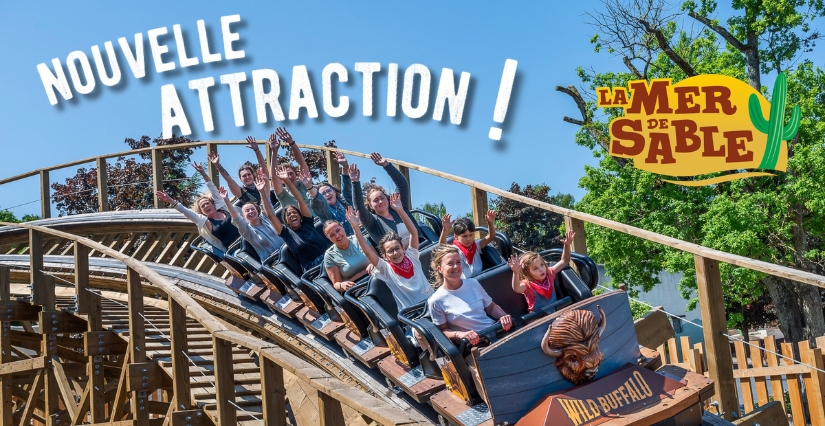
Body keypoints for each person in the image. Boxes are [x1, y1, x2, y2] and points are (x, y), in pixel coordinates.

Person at [346, 197, 433, 310]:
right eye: (390, 251)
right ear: (384, 256)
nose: (395, 253)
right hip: (415, 313)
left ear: (403, 248)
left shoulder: (412, 256)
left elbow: (414, 232)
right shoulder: (385, 269)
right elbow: (367, 252)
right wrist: (355, 227)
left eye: (397, 248)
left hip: (433, 304)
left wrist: (400, 210)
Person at [428, 244, 513, 346]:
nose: (455, 266)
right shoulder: (436, 300)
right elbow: (443, 331)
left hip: (495, 332)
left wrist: (503, 317)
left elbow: (491, 307)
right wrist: (460, 334)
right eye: (450, 263)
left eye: (458, 262)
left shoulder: (473, 283)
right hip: (475, 343)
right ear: (439, 269)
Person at [156, 162, 240, 251]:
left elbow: (212, 187)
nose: (206, 206)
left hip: (246, 238)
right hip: (233, 250)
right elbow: (185, 211)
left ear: (213, 204)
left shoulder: (223, 208)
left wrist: (202, 173)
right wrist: (170, 200)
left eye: (207, 203)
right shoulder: (203, 221)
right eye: (202, 206)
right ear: (201, 211)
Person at [262, 168, 329, 270]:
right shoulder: (286, 233)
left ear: (300, 215)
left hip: (329, 256)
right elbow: (270, 215)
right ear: (286, 221)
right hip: (314, 267)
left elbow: (300, 200)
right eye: (288, 215)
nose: (292, 215)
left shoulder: (308, 223)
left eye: (294, 212)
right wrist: (262, 192)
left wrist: (287, 181)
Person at [349, 152, 421, 246]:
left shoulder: (398, 207)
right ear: (370, 205)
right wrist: (355, 182)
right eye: (375, 200)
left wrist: (386, 165)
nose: (380, 202)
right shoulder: (373, 222)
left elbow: (402, 185)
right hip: (400, 257)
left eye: (382, 198)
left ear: (387, 199)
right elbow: (359, 207)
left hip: (423, 246)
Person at [508, 230, 576, 312]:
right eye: (535, 268)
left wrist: (567, 245)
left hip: (555, 310)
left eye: (542, 265)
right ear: (527, 272)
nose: (541, 269)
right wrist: (516, 272)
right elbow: (517, 288)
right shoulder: (528, 285)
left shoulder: (549, 274)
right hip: (538, 316)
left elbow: (564, 261)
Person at [218, 179, 285, 262]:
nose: (250, 211)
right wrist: (226, 200)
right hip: (275, 261)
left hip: (288, 249)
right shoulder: (247, 231)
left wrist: (262, 190)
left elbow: (267, 200)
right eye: (247, 211)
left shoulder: (266, 218)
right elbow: (237, 219)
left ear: (257, 210)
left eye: (252, 209)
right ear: (244, 216)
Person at [299, 151, 355, 235]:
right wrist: (309, 186)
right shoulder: (326, 213)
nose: (327, 194)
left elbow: (346, 185)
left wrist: (344, 166)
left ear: (334, 191)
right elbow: (320, 202)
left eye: (328, 191)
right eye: (323, 194)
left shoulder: (345, 202)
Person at [263, 127, 315, 216]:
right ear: (281, 180)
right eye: (286, 176)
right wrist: (274, 152)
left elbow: (302, 162)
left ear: (295, 173)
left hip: (318, 221)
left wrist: (291, 142)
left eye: (291, 173)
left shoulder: (303, 184)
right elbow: (274, 178)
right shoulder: (282, 193)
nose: (289, 177)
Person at [438, 211, 498, 278]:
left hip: (479, 279)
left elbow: (491, 236)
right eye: (464, 236)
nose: (468, 239)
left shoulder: (476, 245)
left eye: (471, 235)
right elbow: (442, 247)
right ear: (456, 237)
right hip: (463, 283)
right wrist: (445, 229)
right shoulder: (454, 250)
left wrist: (490, 223)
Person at [322, 220, 369, 293]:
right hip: (356, 287)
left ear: (342, 227)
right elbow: (336, 284)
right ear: (328, 238)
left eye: (338, 230)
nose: (337, 236)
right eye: (332, 235)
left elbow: (377, 260)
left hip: (374, 276)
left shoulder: (358, 239)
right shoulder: (329, 255)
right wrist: (341, 285)